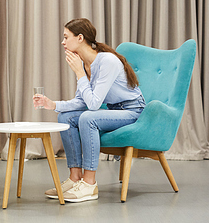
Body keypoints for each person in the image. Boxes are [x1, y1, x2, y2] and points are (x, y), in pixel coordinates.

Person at [33, 18, 145, 203]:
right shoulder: (84, 63)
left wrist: (79, 74)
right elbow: (80, 101)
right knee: (66, 117)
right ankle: (75, 177)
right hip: (114, 111)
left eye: (65, 37)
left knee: (88, 118)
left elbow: (92, 105)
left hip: (132, 111)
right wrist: (52, 104)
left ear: (80, 38)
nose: (62, 42)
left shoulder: (107, 60)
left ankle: (89, 183)